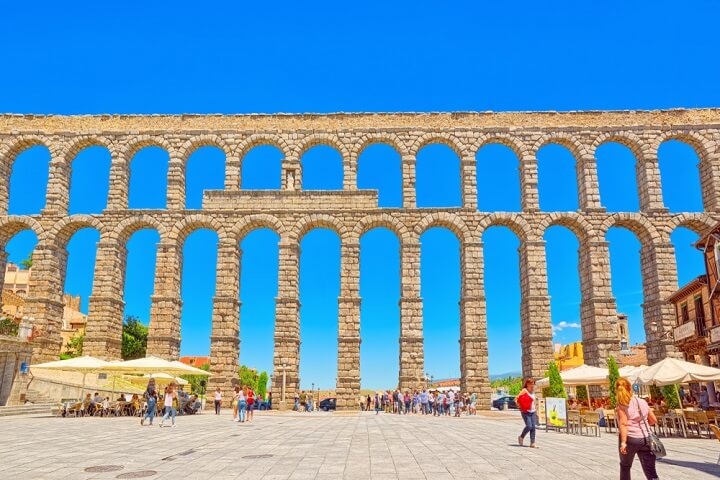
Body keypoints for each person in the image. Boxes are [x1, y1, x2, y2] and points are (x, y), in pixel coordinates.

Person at [616, 377, 658, 480]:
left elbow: (623, 424)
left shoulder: (621, 405)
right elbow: (653, 420)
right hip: (646, 438)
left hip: (631, 438)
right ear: (630, 388)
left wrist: (623, 442)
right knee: (650, 470)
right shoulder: (642, 401)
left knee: (625, 466)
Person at [516, 378, 538, 448]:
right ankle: (521, 437)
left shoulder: (533, 392)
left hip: (533, 411)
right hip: (525, 412)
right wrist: (520, 407)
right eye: (531, 384)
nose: (533, 385)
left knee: (533, 427)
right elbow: (517, 399)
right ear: (527, 384)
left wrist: (536, 411)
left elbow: (534, 402)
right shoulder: (524, 391)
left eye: (533, 384)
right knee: (529, 426)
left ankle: (532, 443)